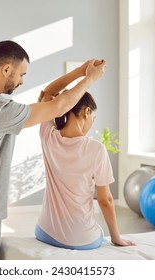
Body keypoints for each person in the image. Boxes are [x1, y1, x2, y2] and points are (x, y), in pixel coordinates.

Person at [0, 40, 106, 260]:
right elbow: (58, 105)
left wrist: (80, 71)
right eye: (21, 74)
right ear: (6, 69)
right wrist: (90, 78)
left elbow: (49, 97)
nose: (23, 81)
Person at [35, 74, 136, 250]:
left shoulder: (47, 135)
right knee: (97, 233)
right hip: (80, 238)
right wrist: (116, 237)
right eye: (93, 118)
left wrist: (82, 71)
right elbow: (105, 200)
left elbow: (48, 93)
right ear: (86, 111)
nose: (92, 123)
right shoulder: (96, 150)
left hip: (45, 232)